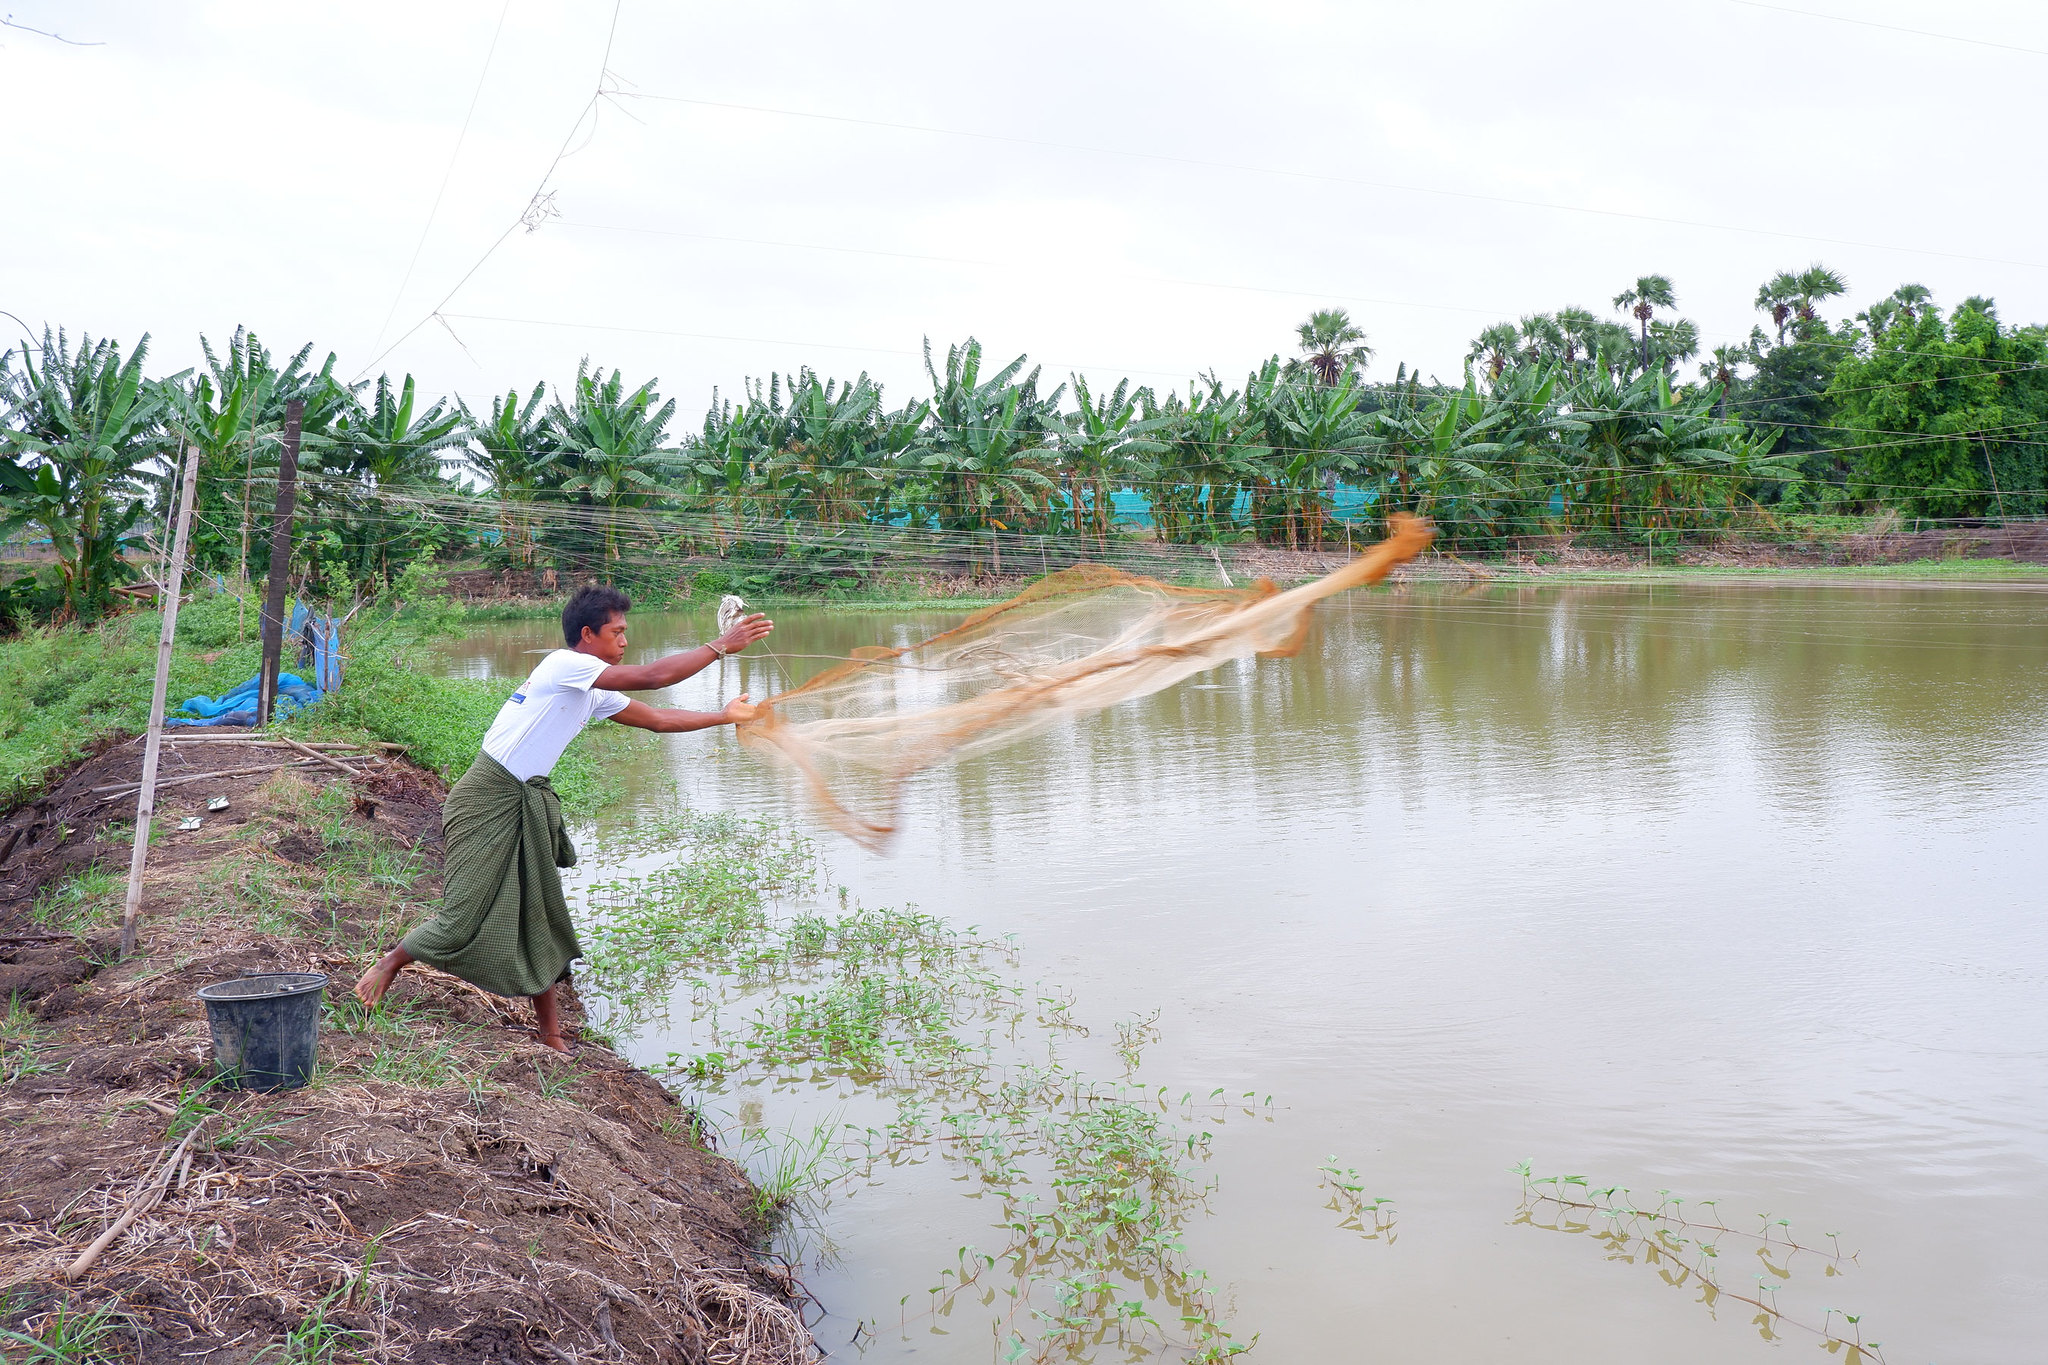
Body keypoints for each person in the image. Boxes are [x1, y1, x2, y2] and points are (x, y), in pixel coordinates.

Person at [353, 584, 772, 1052]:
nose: (624, 642)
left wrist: (723, 715)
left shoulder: (591, 688)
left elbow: (658, 719)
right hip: (486, 799)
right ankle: (390, 963)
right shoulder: (565, 665)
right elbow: (654, 677)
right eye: (618, 633)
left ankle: (550, 1034)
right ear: (588, 634)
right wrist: (720, 647)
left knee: (539, 917)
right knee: (462, 915)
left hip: (521, 800)